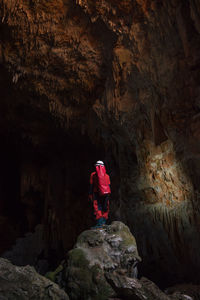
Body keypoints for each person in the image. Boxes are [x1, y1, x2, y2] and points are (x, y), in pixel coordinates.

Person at [89, 160, 111, 229]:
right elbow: (109, 186)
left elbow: (91, 185)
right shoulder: (107, 176)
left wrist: (90, 194)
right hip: (106, 194)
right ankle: (104, 223)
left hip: (96, 193)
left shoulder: (93, 175)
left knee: (98, 207)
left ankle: (99, 224)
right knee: (105, 207)